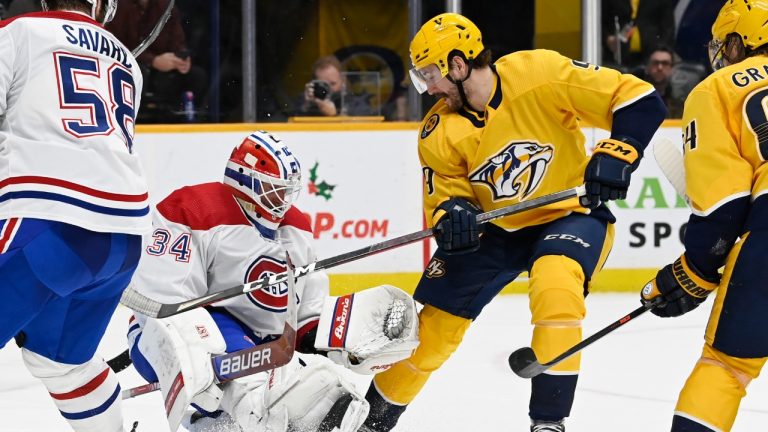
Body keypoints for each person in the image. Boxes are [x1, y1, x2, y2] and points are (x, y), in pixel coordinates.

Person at [360, 13, 667, 432]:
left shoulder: (538, 72)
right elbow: (445, 194)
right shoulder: (438, 130)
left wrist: (620, 149)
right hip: (496, 230)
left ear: (458, 64)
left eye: (431, 74)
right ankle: (366, 423)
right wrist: (452, 215)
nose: (428, 87)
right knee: (431, 336)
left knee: (556, 283)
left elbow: (638, 98)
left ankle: (548, 423)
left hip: (568, 213)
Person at [125, 130, 420, 431]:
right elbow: (165, 305)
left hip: (261, 347)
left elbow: (304, 313)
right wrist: (213, 356)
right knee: (268, 400)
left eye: (287, 191)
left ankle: (215, 422)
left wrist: (334, 339)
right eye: (273, 189)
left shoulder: (296, 228)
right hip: (174, 336)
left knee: (325, 396)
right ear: (244, 181)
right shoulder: (195, 209)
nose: (281, 200)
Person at [0, 1, 150, 431]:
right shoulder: (129, 63)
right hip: (122, 238)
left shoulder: (20, 31)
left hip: (48, 223)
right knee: (63, 365)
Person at [640, 2, 768, 431]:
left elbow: (723, 205)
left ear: (736, 43)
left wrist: (695, 269)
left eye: (722, 43)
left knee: (727, 367)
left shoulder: (719, 88)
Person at [107, 0, 207, 123]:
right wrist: (153, 60)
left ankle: (180, 119)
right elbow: (115, 46)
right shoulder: (118, 7)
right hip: (131, 66)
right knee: (138, 74)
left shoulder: (166, 6)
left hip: (162, 72)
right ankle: (128, 120)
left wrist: (181, 58)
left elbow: (178, 40)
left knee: (197, 76)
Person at [602, 0, 676, 69]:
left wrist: (662, 51)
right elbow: (599, 20)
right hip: (618, 53)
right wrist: (607, 38)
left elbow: (668, 27)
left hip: (651, 52)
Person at [639, 45, 685, 118]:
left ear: (672, 69)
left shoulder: (680, 107)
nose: (660, 67)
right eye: (655, 63)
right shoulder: (636, 103)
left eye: (665, 63)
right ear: (647, 67)